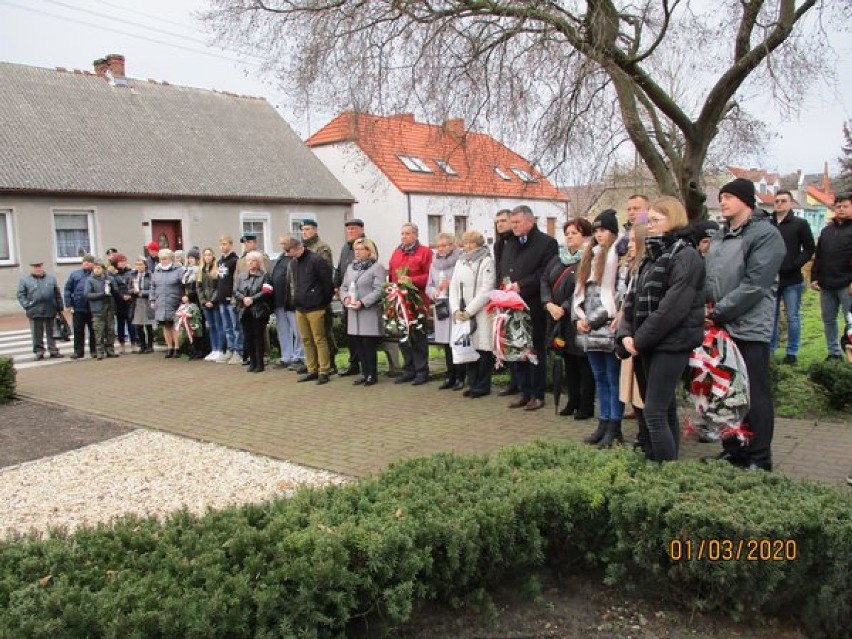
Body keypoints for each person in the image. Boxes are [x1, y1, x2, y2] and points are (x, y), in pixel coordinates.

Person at [705, 177, 785, 471]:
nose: (723, 201)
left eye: (728, 197)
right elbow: (710, 278)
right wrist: (705, 306)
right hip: (719, 326)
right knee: (725, 391)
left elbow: (755, 285)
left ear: (746, 201)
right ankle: (733, 449)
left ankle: (760, 457)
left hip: (749, 327)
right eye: (721, 196)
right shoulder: (720, 236)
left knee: (754, 394)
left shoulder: (765, 235)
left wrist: (717, 312)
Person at [618, 197, 705, 462]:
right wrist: (624, 335)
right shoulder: (650, 257)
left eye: (656, 220)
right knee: (662, 410)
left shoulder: (685, 255)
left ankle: (663, 471)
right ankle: (662, 462)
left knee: (654, 411)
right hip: (647, 343)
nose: (650, 225)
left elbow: (672, 308)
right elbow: (631, 300)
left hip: (671, 343)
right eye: (649, 220)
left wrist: (639, 339)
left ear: (674, 220)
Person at [573, 209, 626, 446]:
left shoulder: (618, 259)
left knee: (613, 378)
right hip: (590, 328)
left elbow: (617, 297)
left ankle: (615, 426)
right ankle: (603, 422)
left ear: (613, 232)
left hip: (608, 327)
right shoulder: (590, 256)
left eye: (603, 230)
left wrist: (593, 320)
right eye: (595, 231)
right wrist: (580, 317)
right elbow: (582, 294)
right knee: (599, 377)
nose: (599, 234)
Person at [498, 205, 558, 411]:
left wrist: (521, 285)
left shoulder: (546, 243)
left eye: (516, 223)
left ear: (530, 222)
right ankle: (523, 391)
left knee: (534, 350)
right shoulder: (510, 243)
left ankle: (538, 394)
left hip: (532, 305)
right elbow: (504, 269)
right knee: (517, 348)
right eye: (511, 222)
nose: (512, 227)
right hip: (511, 306)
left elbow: (545, 272)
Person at [542, 218, 595, 419]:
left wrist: (563, 307)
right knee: (568, 362)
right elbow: (545, 280)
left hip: (576, 317)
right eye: (567, 233)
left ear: (585, 236)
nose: (569, 236)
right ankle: (572, 401)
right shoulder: (557, 259)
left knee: (583, 363)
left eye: (574, 233)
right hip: (557, 318)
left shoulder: (588, 259)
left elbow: (580, 289)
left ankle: (586, 404)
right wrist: (548, 303)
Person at [770, 189, 815, 365]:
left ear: (790, 203)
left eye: (783, 201)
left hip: (792, 279)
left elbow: (810, 248)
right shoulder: (768, 224)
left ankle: (792, 352)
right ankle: (770, 350)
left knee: (792, 316)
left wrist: (795, 264)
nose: (779, 204)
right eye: (777, 201)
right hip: (771, 278)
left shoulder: (799, 224)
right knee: (771, 317)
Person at [450, 230, 497, 398]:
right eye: (465, 242)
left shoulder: (486, 261)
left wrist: (470, 310)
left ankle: (483, 385)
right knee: (468, 347)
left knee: (482, 349)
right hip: (463, 312)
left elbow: (487, 288)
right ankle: (473, 382)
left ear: (479, 244)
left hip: (481, 311)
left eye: (472, 243)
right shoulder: (460, 262)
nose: (468, 246)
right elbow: (453, 287)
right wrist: (456, 309)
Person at [389, 223, 434, 385]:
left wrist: (412, 281)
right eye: (402, 233)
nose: (404, 236)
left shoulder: (425, 252)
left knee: (418, 336)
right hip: (400, 301)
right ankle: (408, 369)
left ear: (415, 235)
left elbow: (430, 276)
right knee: (403, 336)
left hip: (418, 300)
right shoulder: (397, 252)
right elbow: (391, 275)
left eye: (407, 233)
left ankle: (422, 371)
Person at [287, 236, 335, 384]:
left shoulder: (316, 260)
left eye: (290, 251)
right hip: (301, 307)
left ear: (299, 248)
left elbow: (327, 284)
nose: (289, 254)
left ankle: (324, 371)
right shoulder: (294, 263)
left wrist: (323, 302)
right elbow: (294, 284)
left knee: (319, 339)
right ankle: (312, 369)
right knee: (306, 340)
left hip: (316, 307)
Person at [811, 192, 852, 361]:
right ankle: (833, 353)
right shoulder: (827, 230)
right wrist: (814, 277)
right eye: (838, 206)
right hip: (827, 285)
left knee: (850, 321)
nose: (841, 209)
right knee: (828, 320)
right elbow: (819, 255)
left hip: (847, 285)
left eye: (845, 206)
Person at [340, 238, 387, 386]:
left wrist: (363, 302)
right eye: (356, 249)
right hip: (353, 312)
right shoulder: (351, 267)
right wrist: (345, 299)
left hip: (369, 311)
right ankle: (364, 372)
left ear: (369, 251)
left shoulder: (377, 267)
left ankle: (372, 374)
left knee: (368, 345)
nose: (357, 252)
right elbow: (344, 287)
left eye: (361, 249)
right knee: (358, 344)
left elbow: (379, 289)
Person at [426, 233, 464, 390]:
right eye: (438, 245)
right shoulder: (433, 264)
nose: (440, 248)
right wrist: (434, 292)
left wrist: (451, 284)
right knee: (446, 344)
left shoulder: (460, 261)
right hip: (441, 306)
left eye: (444, 245)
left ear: (452, 245)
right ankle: (450, 376)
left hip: (455, 306)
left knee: (457, 342)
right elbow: (429, 285)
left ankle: (461, 376)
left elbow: (464, 282)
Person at [335, 219, 367, 377]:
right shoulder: (345, 248)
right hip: (347, 296)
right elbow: (340, 268)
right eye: (348, 229)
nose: (350, 232)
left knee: (361, 334)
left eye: (353, 229)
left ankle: (364, 364)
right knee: (350, 332)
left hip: (360, 298)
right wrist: (337, 286)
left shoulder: (367, 245)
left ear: (361, 229)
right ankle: (353, 362)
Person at [234, 250, 273, 373]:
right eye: (249, 261)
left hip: (258, 310)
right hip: (244, 310)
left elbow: (266, 291)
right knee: (248, 337)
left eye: (254, 261)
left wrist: (252, 299)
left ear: (259, 262)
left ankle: (260, 363)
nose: (251, 263)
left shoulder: (264, 275)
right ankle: (252, 361)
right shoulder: (241, 276)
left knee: (258, 337)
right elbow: (235, 291)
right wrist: (243, 298)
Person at [17, 259, 64, 361]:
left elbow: (57, 293)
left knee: (51, 331)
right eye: (35, 267)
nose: (37, 269)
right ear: (31, 268)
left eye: (39, 267)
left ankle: (53, 350)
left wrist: (60, 306)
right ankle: (39, 351)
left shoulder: (51, 279)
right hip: (34, 310)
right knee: (36, 333)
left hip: (50, 309)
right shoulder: (25, 280)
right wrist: (27, 305)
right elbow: (21, 295)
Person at [270, 234, 305, 370]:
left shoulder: (295, 259)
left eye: (285, 243)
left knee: (298, 331)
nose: (283, 246)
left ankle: (299, 357)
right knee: (283, 331)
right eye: (281, 243)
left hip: (291, 301)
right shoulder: (280, 258)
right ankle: (286, 357)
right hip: (279, 301)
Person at [150, 248, 185, 358]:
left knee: (175, 325)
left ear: (170, 259)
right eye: (161, 259)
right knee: (165, 325)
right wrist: (152, 300)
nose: (162, 261)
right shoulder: (157, 270)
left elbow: (183, 285)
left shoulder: (178, 270)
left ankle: (177, 348)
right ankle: (169, 347)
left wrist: (184, 298)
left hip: (175, 300)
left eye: (164, 259)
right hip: (161, 301)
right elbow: (153, 286)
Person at [63, 253, 97, 360]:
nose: (86, 264)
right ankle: (78, 351)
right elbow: (68, 289)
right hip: (78, 307)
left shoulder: (96, 274)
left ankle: (94, 350)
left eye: (89, 262)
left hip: (92, 307)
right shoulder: (75, 274)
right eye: (84, 262)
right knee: (78, 330)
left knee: (93, 330)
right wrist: (68, 304)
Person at [85, 260, 119, 360]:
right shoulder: (90, 280)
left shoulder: (110, 279)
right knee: (98, 331)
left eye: (99, 268)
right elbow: (87, 294)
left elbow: (115, 292)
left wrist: (112, 289)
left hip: (109, 308)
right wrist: (101, 295)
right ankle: (99, 351)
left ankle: (110, 350)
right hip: (97, 309)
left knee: (110, 330)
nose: (97, 270)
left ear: (103, 269)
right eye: (95, 268)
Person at [216, 235, 241, 364]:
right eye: (221, 244)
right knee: (227, 327)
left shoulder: (234, 260)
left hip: (231, 298)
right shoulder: (220, 261)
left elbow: (235, 280)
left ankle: (238, 351)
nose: (222, 247)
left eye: (225, 244)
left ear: (231, 245)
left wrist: (233, 295)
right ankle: (230, 349)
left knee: (236, 326)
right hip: (221, 299)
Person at [198, 248, 223, 361]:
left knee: (218, 326)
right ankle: (214, 349)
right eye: (205, 255)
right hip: (205, 303)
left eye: (209, 254)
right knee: (211, 327)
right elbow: (199, 287)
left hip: (215, 303)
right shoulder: (201, 270)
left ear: (213, 256)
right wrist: (204, 300)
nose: (207, 257)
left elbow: (219, 287)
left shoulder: (216, 269)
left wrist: (212, 300)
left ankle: (220, 349)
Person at [109, 254, 136, 354]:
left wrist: (130, 294)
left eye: (124, 261)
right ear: (116, 263)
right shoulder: (112, 274)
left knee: (131, 323)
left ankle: (134, 343)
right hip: (119, 302)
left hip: (130, 301)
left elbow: (133, 284)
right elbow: (113, 288)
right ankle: (122, 344)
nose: (123, 263)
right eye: (121, 261)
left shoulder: (130, 272)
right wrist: (121, 296)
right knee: (120, 324)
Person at [130, 256, 155, 354]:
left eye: (141, 265)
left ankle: (150, 346)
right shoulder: (133, 276)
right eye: (137, 265)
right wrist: (134, 291)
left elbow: (153, 289)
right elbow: (129, 288)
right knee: (138, 325)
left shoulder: (150, 275)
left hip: (147, 301)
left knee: (148, 324)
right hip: (137, 302)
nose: (139, 267)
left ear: (145, 265)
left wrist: (143, 292)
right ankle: (142, 345)